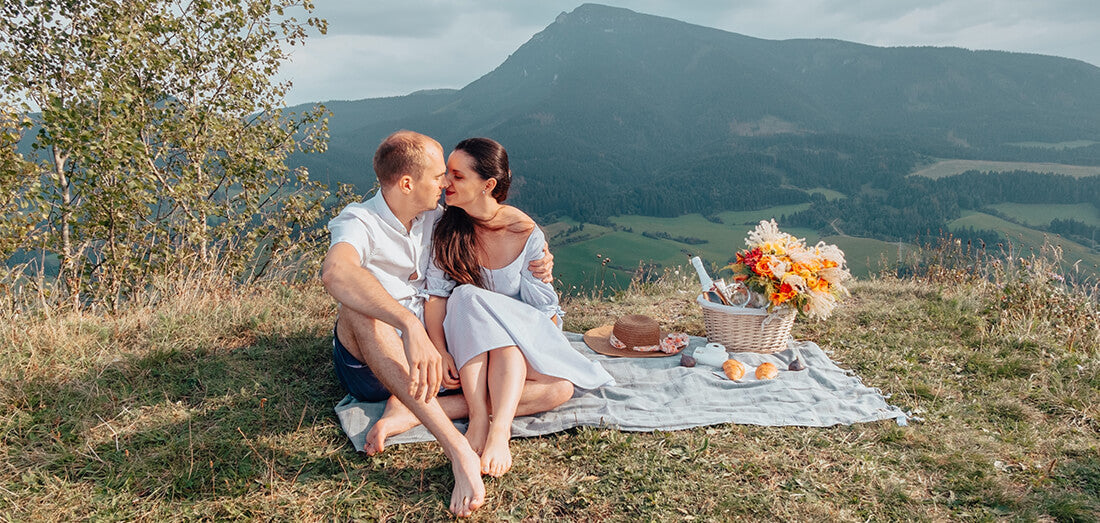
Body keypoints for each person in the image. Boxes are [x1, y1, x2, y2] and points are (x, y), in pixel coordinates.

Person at [321, 130, 570, 517]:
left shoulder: (438, 218)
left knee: (557, 389)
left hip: (437, 360)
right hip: (378, 359)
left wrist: (540, 257)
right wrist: (408, 324)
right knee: (357, 309)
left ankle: (413, 409)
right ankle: (459, 451)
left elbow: (495, 219)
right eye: (439, 176)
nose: (445, 183)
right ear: (407, 183)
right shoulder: (359, 221)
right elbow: (336, 273)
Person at [425, 137, 614, 478]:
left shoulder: (524, 232)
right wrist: (439, 351)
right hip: (470, 344)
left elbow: (542, 309)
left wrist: (543, 340)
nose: (445, 183)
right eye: (446, 174)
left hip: (521, 336)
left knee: (560, 386)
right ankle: (490, 423)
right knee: (467, 297)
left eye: (457, 176)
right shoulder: (446, 228)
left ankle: (471, 419)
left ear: (488, 185)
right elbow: (437, 298)